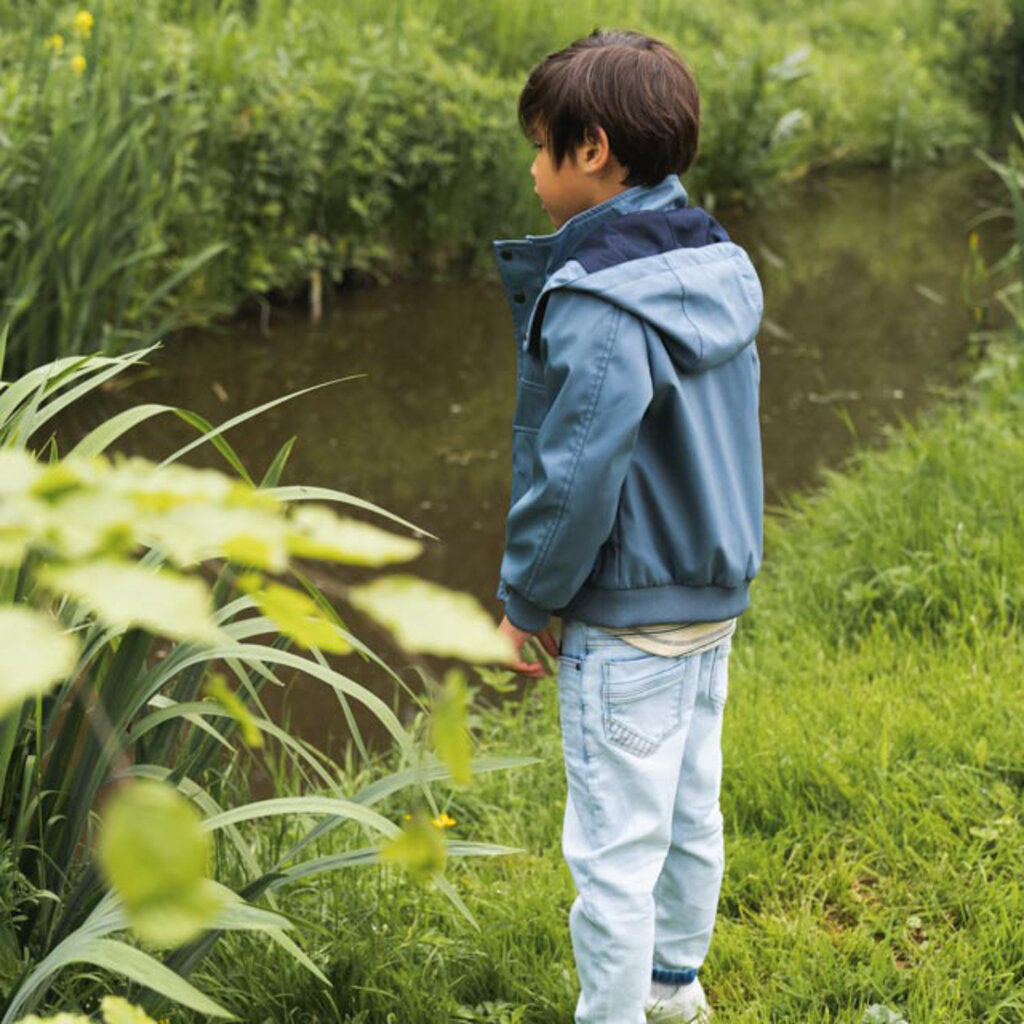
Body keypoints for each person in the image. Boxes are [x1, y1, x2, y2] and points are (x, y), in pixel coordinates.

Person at [490, 29, 765, 1024]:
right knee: (690, 809)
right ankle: (672, 990)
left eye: (539, 147)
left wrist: (527, 599)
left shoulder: (597, 302)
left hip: (629, 611)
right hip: (710, 594)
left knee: (614, 843)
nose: (531, 168)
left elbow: (573, 478)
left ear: (592, 149)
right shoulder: (717, 264)